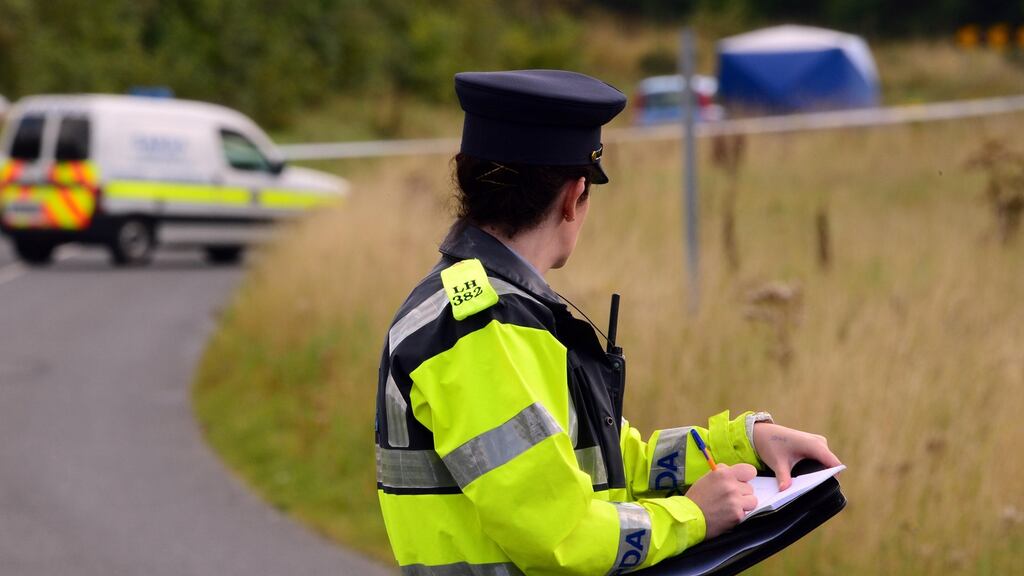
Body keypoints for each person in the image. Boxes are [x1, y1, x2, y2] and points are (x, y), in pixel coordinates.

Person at [376, 70, 841, 576]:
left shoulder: (504, 314)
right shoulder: (482, 331)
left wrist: (745, 442)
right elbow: (563, 537)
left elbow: (605, 461)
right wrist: (693, 516)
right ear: (574, 196)